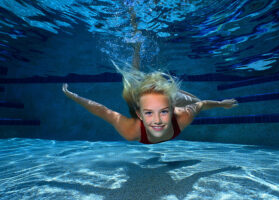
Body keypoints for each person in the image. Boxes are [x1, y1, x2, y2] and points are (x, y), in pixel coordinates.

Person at [62, 7, 238, 144]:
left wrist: (221, 104)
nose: (157, 121)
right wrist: (74, 96)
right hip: (143, 98)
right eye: (148, 113)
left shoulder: (182, 116)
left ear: (173, 109)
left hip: (169, 99)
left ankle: (138, 48)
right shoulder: (132, 130)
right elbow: (102, 111)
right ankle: (136, 47)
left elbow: (201, 103)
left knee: (191, 99)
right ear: (139, 114)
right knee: (132, 79)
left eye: (163, 112)